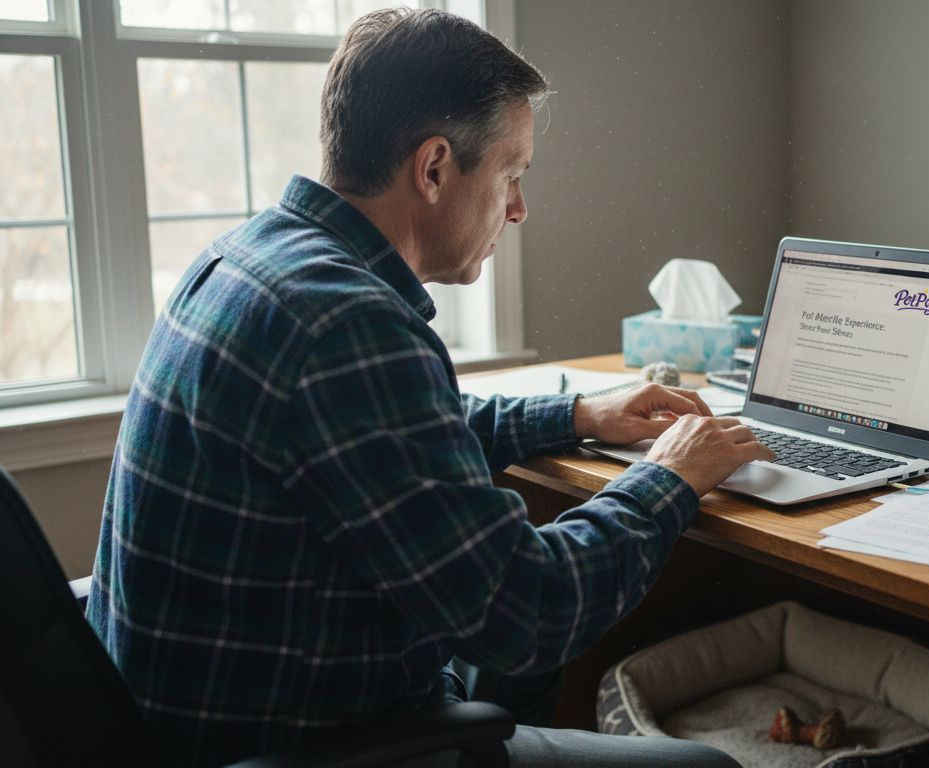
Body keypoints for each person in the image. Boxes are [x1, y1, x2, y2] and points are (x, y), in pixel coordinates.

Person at [85, 9, 769, 767]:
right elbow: (529, 610)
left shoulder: (251, 260)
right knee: (705, 764)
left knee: (517, 667)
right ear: (435, 167)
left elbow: (389, 435)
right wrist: (668, 477)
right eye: (512, 174)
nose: (519, 207)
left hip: (185, 710)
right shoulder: (349, 325)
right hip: (295, 741)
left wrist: (578, 413)